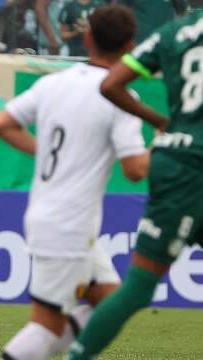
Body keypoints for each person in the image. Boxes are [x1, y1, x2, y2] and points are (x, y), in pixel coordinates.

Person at [0, 5, 150, 359]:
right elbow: (135, 170)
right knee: (46, 326)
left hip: (57, 219)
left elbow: (1, 124)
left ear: (87, 37)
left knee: (111, 302)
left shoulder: (52, 83)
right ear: (131, 46)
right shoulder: (121, 97)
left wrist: (43, 150)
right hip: (69, 225)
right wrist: (171, 143)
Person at [67, 7, 203, 360]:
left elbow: (111, 83)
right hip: (193, 170)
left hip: (175, 162)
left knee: (140, 287)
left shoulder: (172, 33)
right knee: (139, 286)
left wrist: (163, 122)